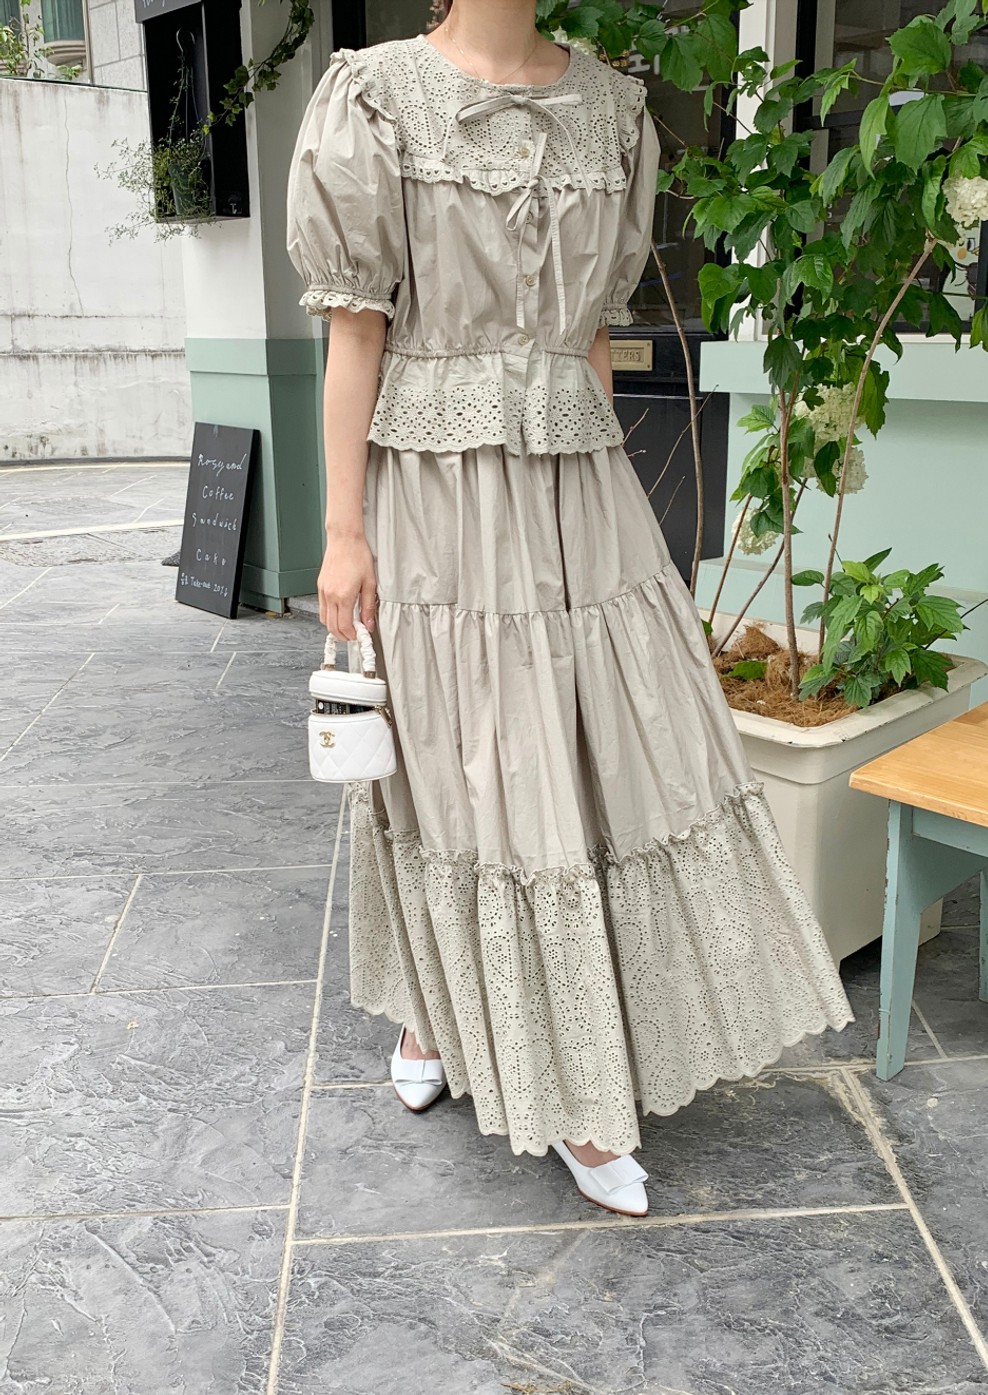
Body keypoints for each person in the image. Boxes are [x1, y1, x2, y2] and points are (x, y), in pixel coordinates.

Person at [284, 0, 854, 1219]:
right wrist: (342, 531)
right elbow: (354, 334)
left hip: (579, 484)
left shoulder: (613, 107)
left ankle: (585, 1065)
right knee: (455, 763)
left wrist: (606, 495)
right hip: (435, 487)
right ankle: (445, 1016)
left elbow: (595, 334)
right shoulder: (374, 97)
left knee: (610, 757)